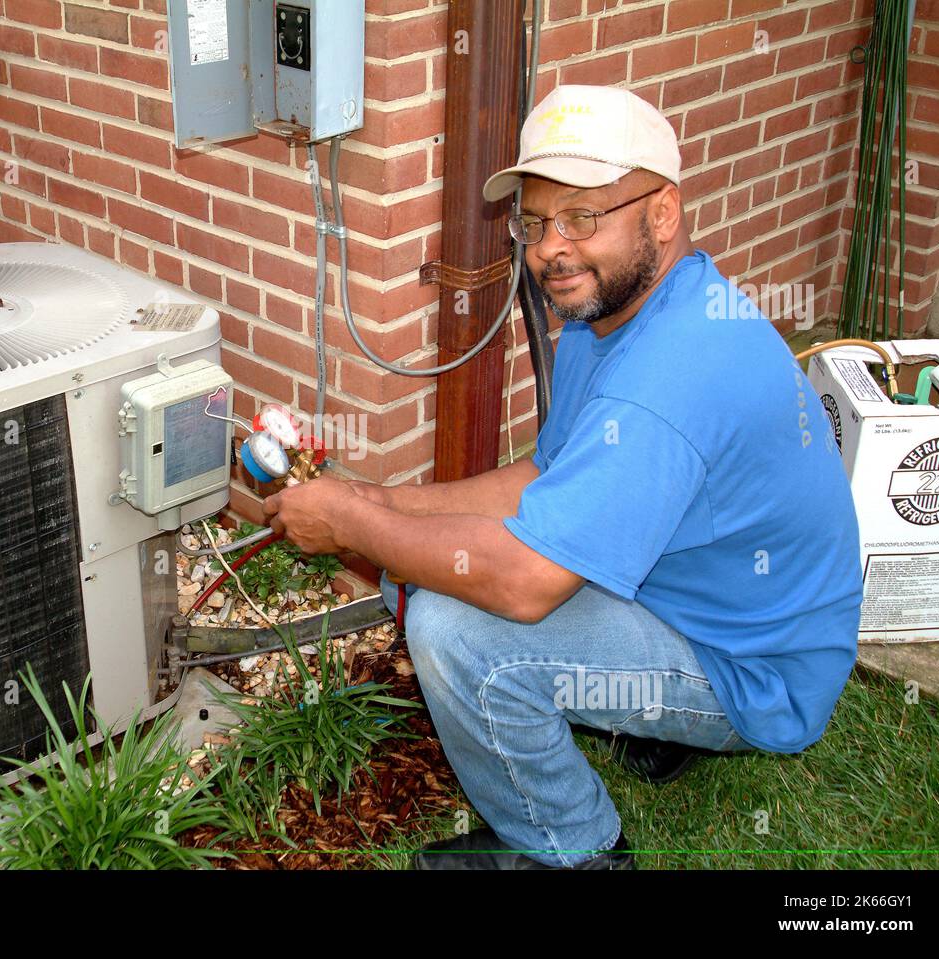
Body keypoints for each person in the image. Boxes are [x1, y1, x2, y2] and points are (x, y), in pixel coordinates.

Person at [261, 84, 862, 871]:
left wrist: (352, 527)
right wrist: (379, 501)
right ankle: (641, 721)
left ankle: (572, 848)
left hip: (752, 667)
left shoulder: (669, 374)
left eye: (584, 216)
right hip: (695, 595)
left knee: (455, 625)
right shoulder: (612, 311)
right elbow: (541, 477)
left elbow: (526, 585)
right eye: (536, 222)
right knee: (422, 553)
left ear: (663, 212)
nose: (552, 247)